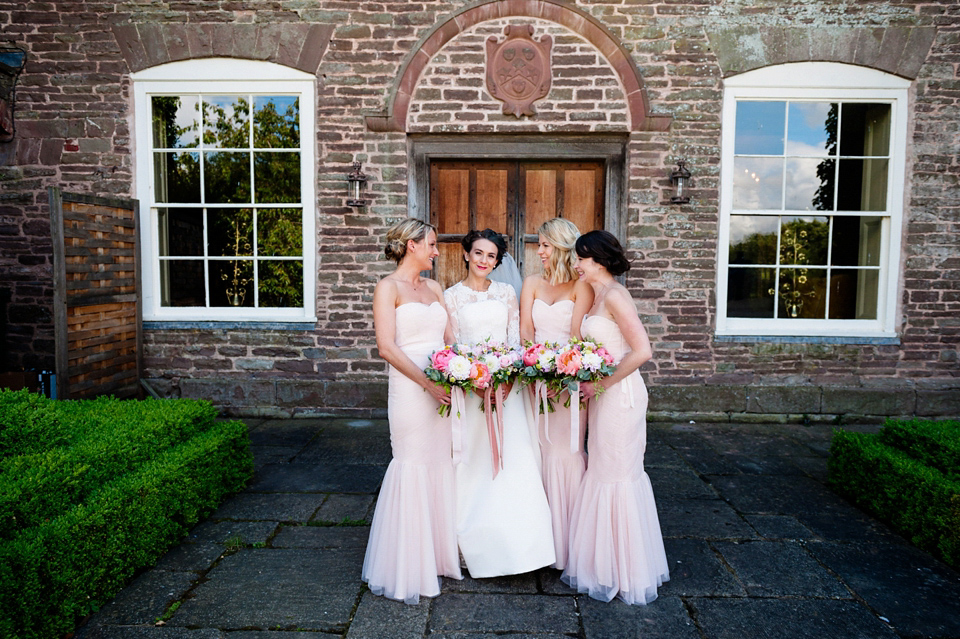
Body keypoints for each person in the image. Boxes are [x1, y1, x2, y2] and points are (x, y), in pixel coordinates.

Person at [561, 229, 669, 604]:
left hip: (620, 396)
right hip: (603, 394)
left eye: (581, 258)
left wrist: (601, 384)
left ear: (599, 259)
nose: (576, 264)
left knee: (618, 475)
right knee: (603, 471)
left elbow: (642, 351)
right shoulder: (597, 295)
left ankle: (627, 571)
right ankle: (603, 565)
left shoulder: (617, 296)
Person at [444, 228, 556, 578]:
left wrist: (505, 379)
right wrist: (475, 381)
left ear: (497, 261)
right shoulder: (450, 297)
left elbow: (514, 340)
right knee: (473, 464)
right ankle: (475, 546)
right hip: (472, 390)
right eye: (478, 253)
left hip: (507, 391)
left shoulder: (507, 293)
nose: (483, 261)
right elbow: (454, 346)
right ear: (466, 254)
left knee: (516, 461)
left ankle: (524, 546)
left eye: (491, 256)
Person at [362, 218, 462, 604]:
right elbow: (387, 348)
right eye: (432, 245)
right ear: (411, 245)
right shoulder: (387, 288)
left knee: (440, 463)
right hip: (411, 387)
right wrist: (428, 383)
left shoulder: (434, 287)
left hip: (443, 385)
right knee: (413, 462)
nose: (437, 251)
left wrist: (464, 373)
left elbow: (450, 340)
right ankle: (405, 565)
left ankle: (435, 557)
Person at [518, 218, 593, 570]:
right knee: (538, 453)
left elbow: (580, 338)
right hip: (535, 383)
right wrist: (537, 369)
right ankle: (538, 544)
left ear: (562, 246)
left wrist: (561, 372)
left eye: (546, 245)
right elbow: (525, 332)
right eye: (540, 245)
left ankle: (570, 545)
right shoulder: (531, 282)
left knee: (566, 454)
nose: (541, 252)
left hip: (568, 386)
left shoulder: (581, 287)